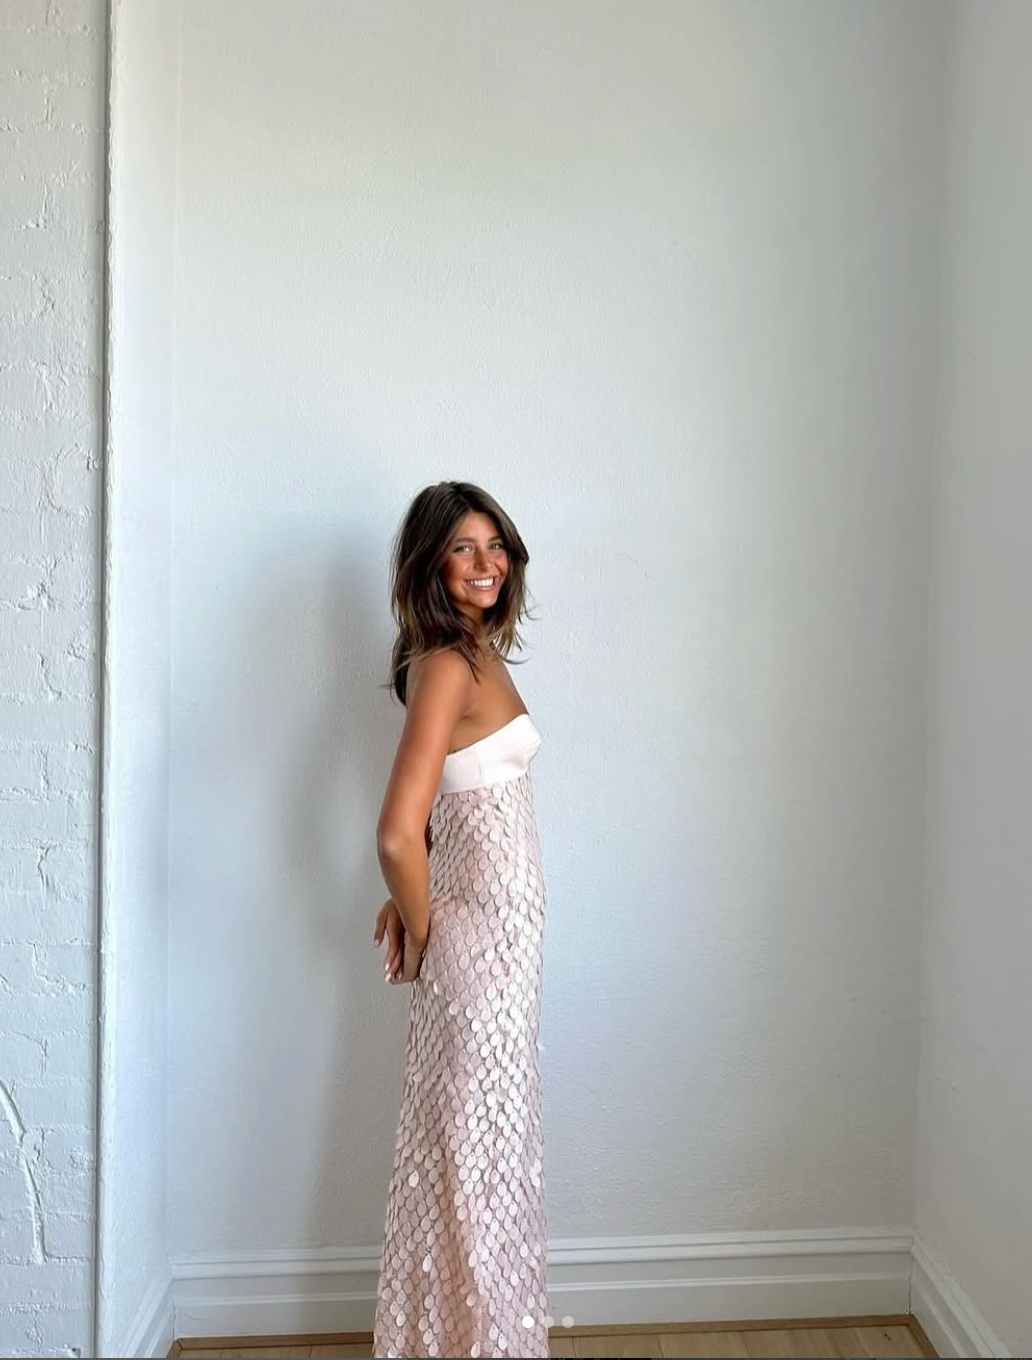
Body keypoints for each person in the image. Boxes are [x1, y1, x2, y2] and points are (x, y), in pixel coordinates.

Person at [371, 481, 550, 1359]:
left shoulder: (477, 653)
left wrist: (416, 887)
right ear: (430, 564)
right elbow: (395, 831)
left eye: (495, 545)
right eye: (463, 548)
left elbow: (450, 797)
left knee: (485, 1160)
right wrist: (422, 923)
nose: (486, 564)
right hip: (478, 950)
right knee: (474, 1167)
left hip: (504, 947)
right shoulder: (446, 663)